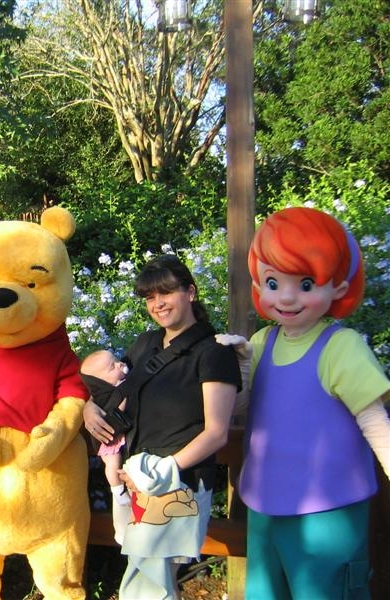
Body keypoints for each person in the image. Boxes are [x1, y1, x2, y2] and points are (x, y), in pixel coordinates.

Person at [239, 206, 390, 600]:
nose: (287, 297)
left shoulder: (341, 347)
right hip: (264, 504)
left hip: (328, 510)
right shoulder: (261, 343)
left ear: (338, 287)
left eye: (306, 284)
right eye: (273, 282)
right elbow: (239, 408)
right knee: (264, 592)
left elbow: (375, 422)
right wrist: (232, 366)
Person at [83, 254, 240, 599]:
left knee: (148, 584)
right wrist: (88, 407)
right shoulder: (146, 344)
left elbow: (216, 433)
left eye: (166, 293)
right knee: (151, 580)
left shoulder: (213, 353)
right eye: (150, 297)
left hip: (178, 482)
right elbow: (111, 389)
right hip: (137, 480)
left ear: (190, 292)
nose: (158, 304)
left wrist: (161, 471)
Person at [80, 350, 132, 508]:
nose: (120, 364)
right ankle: (117, 490)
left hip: (120, 437)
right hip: (109, 439)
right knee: (112, 463)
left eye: (117, 360)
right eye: (112, 367)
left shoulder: (123, 382)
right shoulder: (104, 396)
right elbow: (118, 408)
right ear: (101, 381)